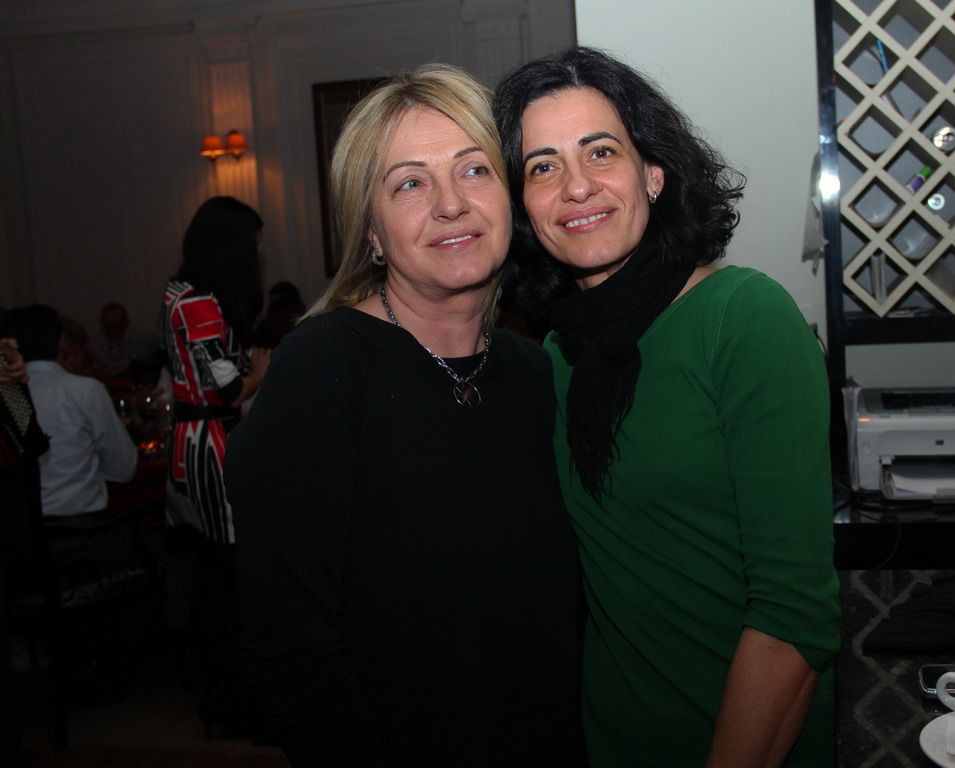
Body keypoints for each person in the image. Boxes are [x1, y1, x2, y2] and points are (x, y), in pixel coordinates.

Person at [225, 64, 582, 766]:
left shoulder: (537, 372)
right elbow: (292, 652)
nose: (451, 204)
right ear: (372, 232)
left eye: (474, 170)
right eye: (410, 184)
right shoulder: (321, 370)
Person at [494, 46, 840, 767]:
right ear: (523, 205)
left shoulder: (743, 319)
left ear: (653, 173)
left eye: (601, 152)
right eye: (543, 167)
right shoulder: (554, 358)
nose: (577, 187)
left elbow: (795, 618)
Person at [162, 196, 269, 736]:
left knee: (211, 577)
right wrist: (265, 369)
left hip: (190, 443)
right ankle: (231, 701)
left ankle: (217, 693)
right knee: (229, 580)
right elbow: (229, 388)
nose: (257, 256)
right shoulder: (200, 302)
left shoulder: (176, 293)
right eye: (252, 246)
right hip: (213, 446)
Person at [0, 305, 136, 517]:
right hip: (85, 524)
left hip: (22, 526)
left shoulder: (13, 393)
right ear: (61, 341)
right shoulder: (84, 390)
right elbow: (123, 467)